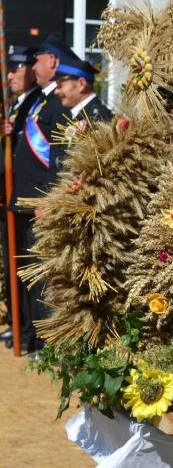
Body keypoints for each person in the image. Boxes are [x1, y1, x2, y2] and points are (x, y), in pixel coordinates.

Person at [9, 36, 72, 353]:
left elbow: (58, 157)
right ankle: (27, 332)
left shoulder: (56, 104)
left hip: (39, 202)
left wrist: (48, 198)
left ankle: (43, 338)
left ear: (53, 62)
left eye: (37, 61)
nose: (32, 67)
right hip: (22, 199)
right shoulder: (37, 102)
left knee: (40, 274)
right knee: (22, 271)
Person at [0, 46, 38, 348]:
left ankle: (29, 331)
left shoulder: (38, 104)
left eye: (16, 68)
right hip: (10, 198)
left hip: (29, 200)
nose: (10, 75)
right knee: (13, 267)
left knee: (28, 270)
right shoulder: (17, 104)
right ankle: (18, 324)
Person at [49, 55, 111, 174]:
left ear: (81, 84)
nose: (56, 91)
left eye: (60, 85)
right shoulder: (75, 114)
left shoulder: (98, 116)